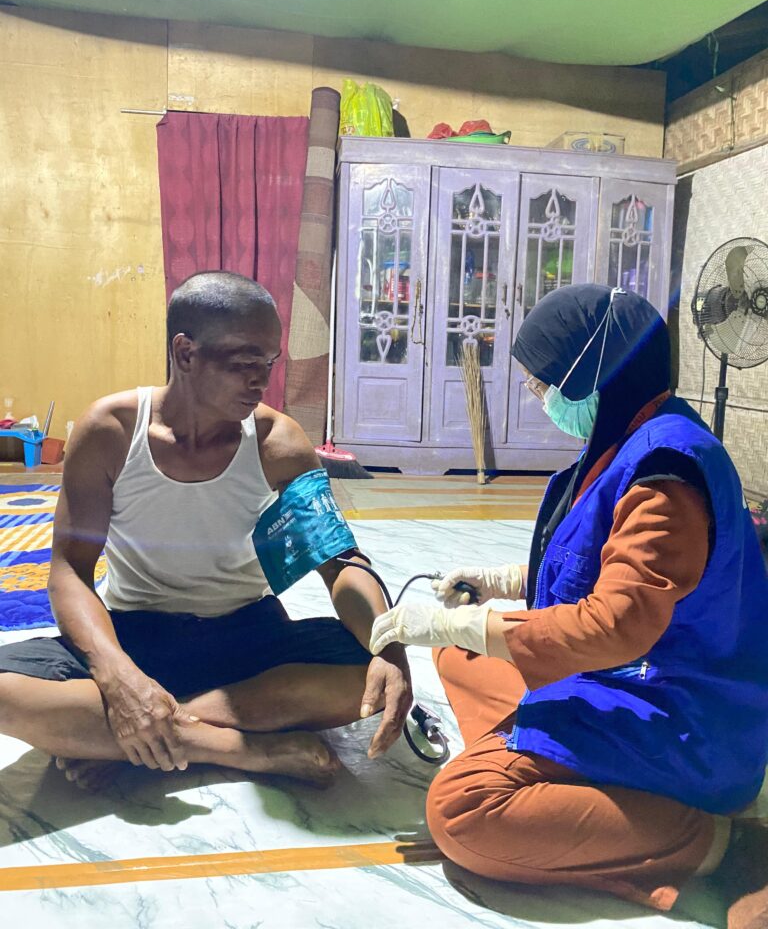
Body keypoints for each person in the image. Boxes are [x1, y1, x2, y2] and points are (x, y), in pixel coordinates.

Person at [371, 284, 768, 929]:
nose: (541, 398)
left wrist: (453, 620)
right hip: (628, 680)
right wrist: (501, 583)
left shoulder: (666, 475)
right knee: (461, 657)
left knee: (462, 811)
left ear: (592, 376)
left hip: (680, 717)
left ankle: (715, 842)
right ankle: (562, 777)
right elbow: (599, 564)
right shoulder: (635, 436)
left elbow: (616, 623)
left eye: (544, 384)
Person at [0, 272, 411, 790]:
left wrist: (389, 648)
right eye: (243, 363)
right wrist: (118, 677)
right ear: (185, 352)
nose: (261, 381)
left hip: (250, 634)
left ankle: (141, 738)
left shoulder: (278, 444)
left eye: (269, 363)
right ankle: (236, 749)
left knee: (366, 673)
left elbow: (341, 566)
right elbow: (69, 571)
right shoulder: (110, 432)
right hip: (136, 634)